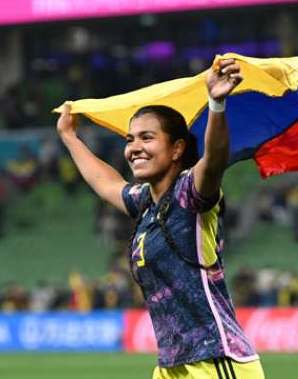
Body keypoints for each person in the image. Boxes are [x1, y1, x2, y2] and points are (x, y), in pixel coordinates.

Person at [57, 58, 264, 379]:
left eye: (146, 138)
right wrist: (70, 138)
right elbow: (107, 184)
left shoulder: (189, 193)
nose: (134, 148)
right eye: (130, 140)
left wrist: (217, 104)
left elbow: (214, 161)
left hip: (215, 361)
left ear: (177, 148)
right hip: (171, 366)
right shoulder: (146, 202)